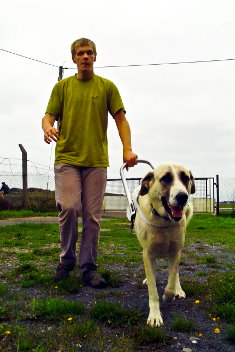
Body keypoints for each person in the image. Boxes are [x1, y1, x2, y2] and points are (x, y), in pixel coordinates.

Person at [42, 38, 138, 288]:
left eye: (89, 53)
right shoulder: (62, 88)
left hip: (96, 161)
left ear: (95, 57)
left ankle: (88, 267)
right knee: (70, 207)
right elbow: (48, 115)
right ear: (74, 58)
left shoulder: (107, 87)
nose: (85, 56)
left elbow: (121, 120)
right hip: (67, 158)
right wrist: (47, 127)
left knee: (93, 216)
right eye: (80, 53)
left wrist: (127, 149)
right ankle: (66, 260)